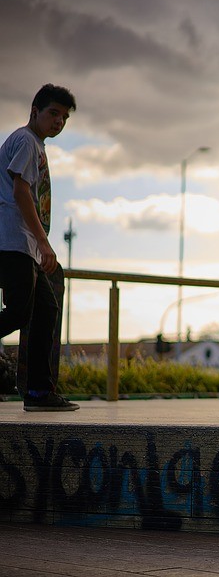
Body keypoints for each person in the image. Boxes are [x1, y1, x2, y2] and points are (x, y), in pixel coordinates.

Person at [0, 84, 78, 411]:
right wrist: (45, 244)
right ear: (35, 111)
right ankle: (37, 392)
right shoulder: (27, 142)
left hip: (25, 245)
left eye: (64, 117)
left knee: (46, 310)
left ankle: (38, 393)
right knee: (21, 311)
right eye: (53, 113)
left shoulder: (35, 145)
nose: (58, 121)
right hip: (13, 241)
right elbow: (20, 192)